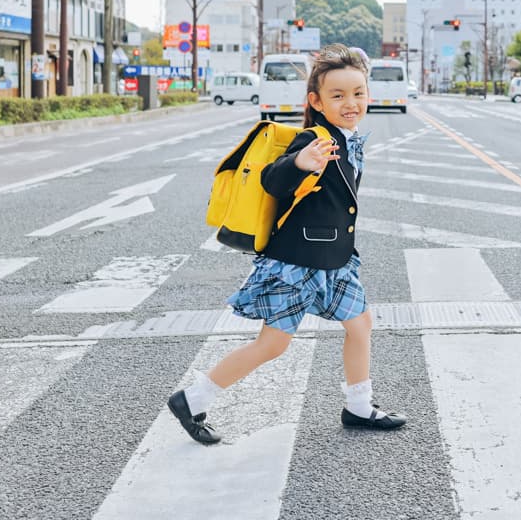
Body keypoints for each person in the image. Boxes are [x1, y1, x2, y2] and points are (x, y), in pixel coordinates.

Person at [167, 43, 407, 445]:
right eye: (338, 95)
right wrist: (299, 163)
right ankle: (192, 399)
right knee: (273, 344)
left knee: (360, 325)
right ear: (316, 100)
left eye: (358, 93)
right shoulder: (313, 140)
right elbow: (273, 181)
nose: (351, 103)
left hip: (334, 259)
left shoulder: (346, 137)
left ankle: (359, 406)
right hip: (297, 262)